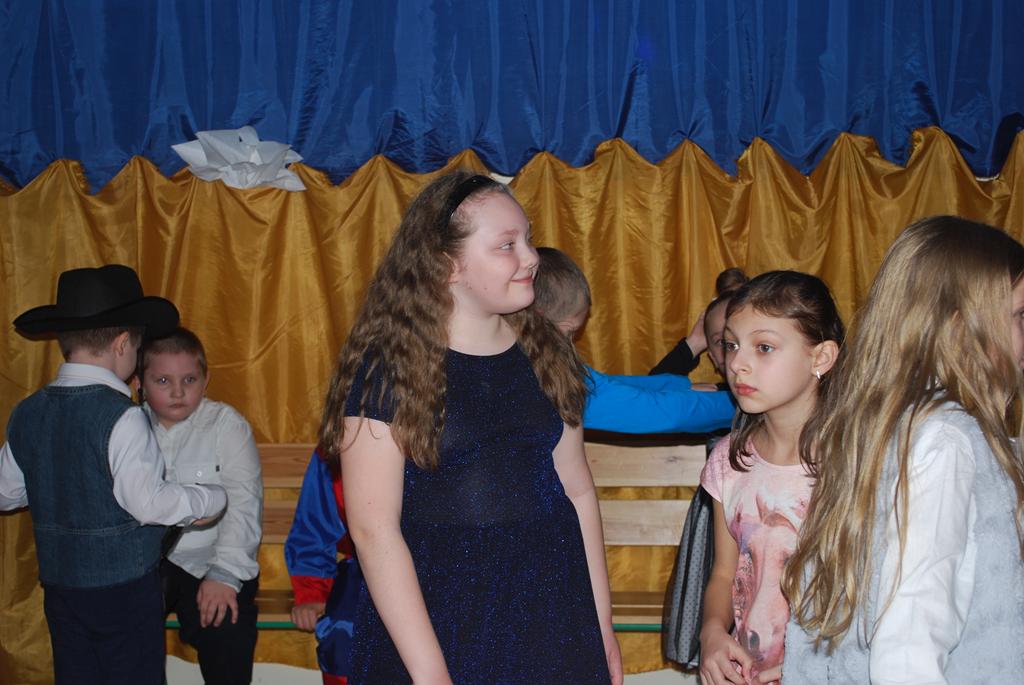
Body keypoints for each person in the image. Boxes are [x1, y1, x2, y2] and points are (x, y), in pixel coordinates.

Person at [318, 172, 622, 684]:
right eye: (507, 245)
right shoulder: (387, 371)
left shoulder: (548, 351)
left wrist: (602, 626)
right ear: (447, 264)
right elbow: (373, 531)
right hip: (440, 619)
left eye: (527, 239)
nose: (531, 257)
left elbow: (577, 491)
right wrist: (429, 673)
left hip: (552, 612)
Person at [782, 216, 1024, 684]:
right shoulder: (945, 440)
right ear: (961, 327)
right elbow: (911, 637)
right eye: (1020, 316)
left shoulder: (886, 425)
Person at [0, 264, 227, 685]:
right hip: (124, 592)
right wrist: (209, 497)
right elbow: (147, 503)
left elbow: (7, 493)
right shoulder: (123, 417)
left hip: (61, 588)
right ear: (123, 343)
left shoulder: (28, 412)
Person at [698, 271, 843, 685]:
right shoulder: (729, 460)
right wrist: (712, 633)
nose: (736, 363)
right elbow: (724, 573)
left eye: (763, 347)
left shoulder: (852, 463)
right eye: (731, 345)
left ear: (821, 358)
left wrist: (813, 666)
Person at [139, 326, 262, 685]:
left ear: (206, 381)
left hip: (211, 559)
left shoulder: (227, 426)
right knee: (126, 626)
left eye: (189, 380)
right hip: (147, 564)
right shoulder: (128, 427)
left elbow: (243, 503)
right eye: (163, 380)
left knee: (227, 626)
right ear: (140, 384)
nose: (178, 392)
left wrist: (225, 575)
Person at [533, 246, 735, 434]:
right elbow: (664, 413)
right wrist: (741, 400)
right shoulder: (544, 380)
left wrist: (681, 386)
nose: (569, 343)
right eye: (569, 332)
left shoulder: (545, 362)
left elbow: (609, 385)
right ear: (538, 319)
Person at [285, 447, 357, 685]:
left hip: (444, 567)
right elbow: (314, 526)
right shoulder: (337, 446)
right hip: (364, 570)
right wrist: (313, 591)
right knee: (342, 639)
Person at [651, 268, 749, 384]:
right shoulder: (711, 394)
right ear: (713, 358)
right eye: (723, 342)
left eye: (763, 346)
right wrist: (693, 344)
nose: (737, 355)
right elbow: (651, 387)